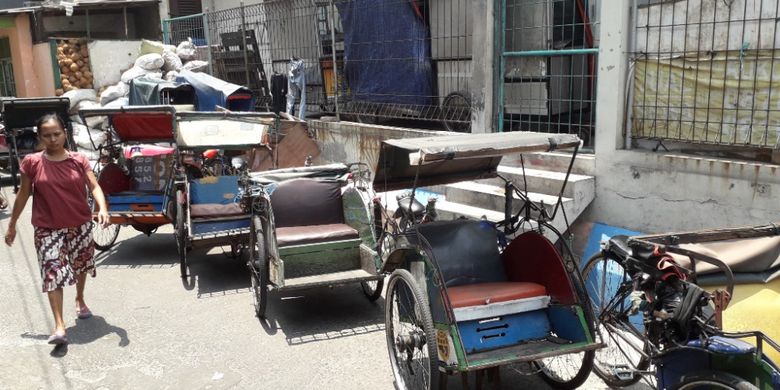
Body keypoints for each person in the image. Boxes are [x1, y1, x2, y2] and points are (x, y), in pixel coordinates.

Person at [4, 113, 109, 345]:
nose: (53, 139)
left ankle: (80, 299)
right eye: (47, 135)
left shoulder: (78, 159)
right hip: (47, 228)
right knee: (53, 272)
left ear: (65, 134)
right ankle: (60, 326)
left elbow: (94, 186)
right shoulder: (32, 163)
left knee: (80, 265)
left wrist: (102, 208)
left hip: (79, 225)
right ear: (40, 137)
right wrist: (12, 225)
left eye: (57, 134)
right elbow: (23, 194)